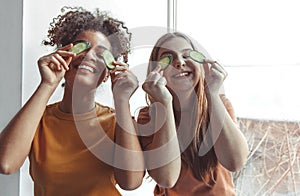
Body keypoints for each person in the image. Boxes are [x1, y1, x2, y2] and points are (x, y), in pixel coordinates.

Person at [0, 6, 144, 195]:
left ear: (108, 72)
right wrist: (48, 83)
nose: (89, 56)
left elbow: (131, 182)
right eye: (82, 46)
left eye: (101, 54)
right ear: (64, 54)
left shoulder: (117, 121)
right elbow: (6, 163)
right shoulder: (38, 120)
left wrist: (122, 100)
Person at [137, 32, 249, 195]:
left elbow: (235, 162)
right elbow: (166, 178)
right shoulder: (148, 117)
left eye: (187, 55)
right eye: (168, 58)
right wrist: (165, 103)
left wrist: (212, 94)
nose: (180, 62)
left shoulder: (220, 104)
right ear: (156, 71)